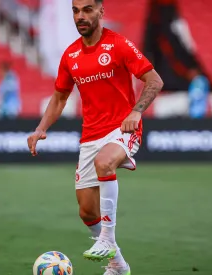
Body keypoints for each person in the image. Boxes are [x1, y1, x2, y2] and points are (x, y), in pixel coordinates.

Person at [27, 0, 164, 274]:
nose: (81, 16)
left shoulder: (119, 44)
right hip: (91, 134)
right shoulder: (70, 56)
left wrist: (136, 113)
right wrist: (41, 127)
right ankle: (118, 266)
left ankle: (107, 240)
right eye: (76, 11)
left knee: (105, 163)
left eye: (87, 9)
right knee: (87, 212)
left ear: (101, 12)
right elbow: (60, 97)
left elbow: (155, 81)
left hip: (123, 127)